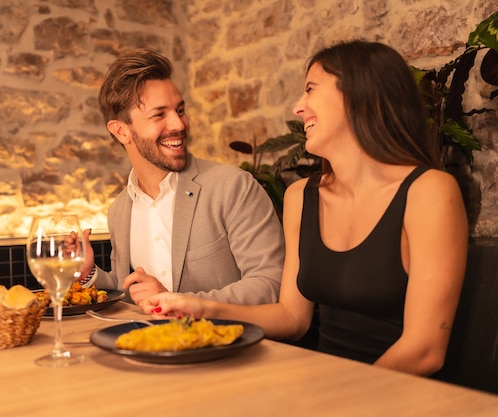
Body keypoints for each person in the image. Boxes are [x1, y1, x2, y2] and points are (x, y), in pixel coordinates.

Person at [140, 40, 469, 377]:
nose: (298, 108)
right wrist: (200, 308)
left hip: (403, 396)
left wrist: (337, 402)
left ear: (359, 95)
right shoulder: (302, 196)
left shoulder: (429, 192)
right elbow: (293, 319)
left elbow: (425, 350)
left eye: (310, 89)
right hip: (322, 384)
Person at [75, 48, 285, 306]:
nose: (179, 124)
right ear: (121, 131)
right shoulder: (119, 210)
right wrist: (88, 275)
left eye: (180, 110)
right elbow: (130, 294)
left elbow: (271, 285)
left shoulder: (233, 187)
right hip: (148, 344)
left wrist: (175, 301)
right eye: (159, 114)